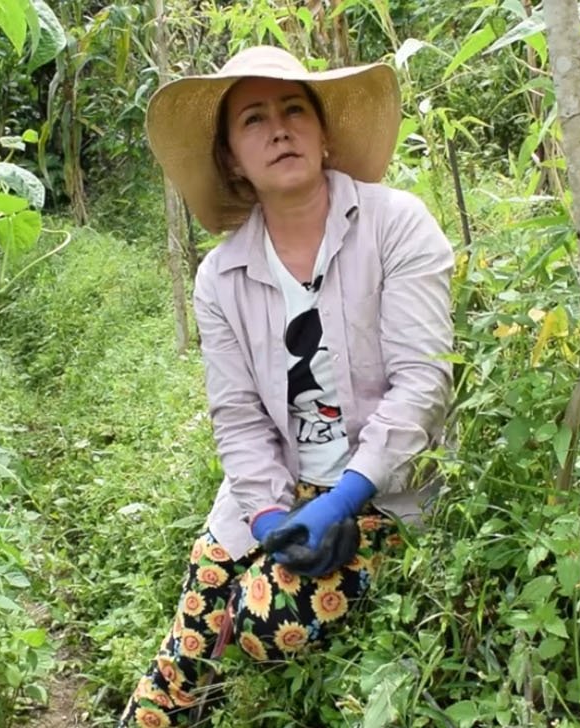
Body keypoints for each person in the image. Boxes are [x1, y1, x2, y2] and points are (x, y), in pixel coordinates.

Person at [120, 45, 454, 726]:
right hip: (282, 481)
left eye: (295, 109)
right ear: (232, 161)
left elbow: (423, 384)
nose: (279, 128)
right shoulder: (222, 277)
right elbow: (239, 419)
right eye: (253, 119)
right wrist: (271, 522)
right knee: (202, 605)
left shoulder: (396, 226)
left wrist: (348, 498)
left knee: (266, 624)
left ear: (324, 134)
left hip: (386, 486)